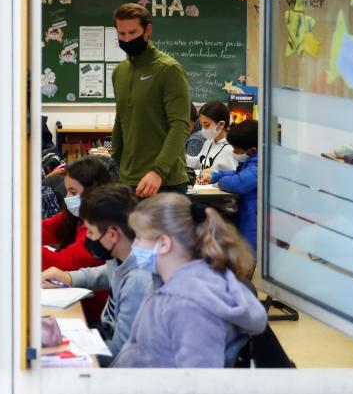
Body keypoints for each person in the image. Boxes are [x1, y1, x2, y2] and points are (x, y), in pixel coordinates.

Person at [112, 194, 267, 368]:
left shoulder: (190, 307)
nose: (134, 246)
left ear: (163, 243)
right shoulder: (166, 283)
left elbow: (198, 384)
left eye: (139, 237)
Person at [41, 184, 152, 360]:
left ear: (112, 235)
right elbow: (107, 273)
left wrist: (68, 352)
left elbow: (120, 353)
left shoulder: (138, 282)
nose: (88, 239)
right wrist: (69, 277)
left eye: (91, 232)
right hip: (103, 337)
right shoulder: (123, 256)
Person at [110, 3, 191, 198]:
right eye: (121, 34)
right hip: (128, 181)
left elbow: (180, 125)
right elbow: (121, 122)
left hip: (165, 182)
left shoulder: (168, 69)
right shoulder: (119, 72)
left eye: (132, 32)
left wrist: (158, 171)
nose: (127, 39)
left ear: (148, 30)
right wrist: (112, 167)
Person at [41, 156, 114, 322]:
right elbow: (46, 228)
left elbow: (64, 263)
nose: (67, 197)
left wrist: (18, 245)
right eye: (67, 191)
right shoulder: (77, 216)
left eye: (73, 192)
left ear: (93, 192)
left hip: (90, 314)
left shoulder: (99, 230)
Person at [198, 119, 259, 250]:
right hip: (250, 217)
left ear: (252, 150)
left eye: (237, 151)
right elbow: (237, 173)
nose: (234, 154)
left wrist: (220, 183)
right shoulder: (253, 160)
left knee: (249, 256)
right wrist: (215, 176)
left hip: (254, 223)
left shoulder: (260, 164)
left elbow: (240, 182)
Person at [185, 100, 238, 174]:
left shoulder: (232, 148)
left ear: (221, 124)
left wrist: (214, 173)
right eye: (201, 125)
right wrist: (184, 158)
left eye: (207, 125)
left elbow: (234, 174)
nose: (203, 129)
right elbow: (199, 162)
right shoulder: (208, 142)